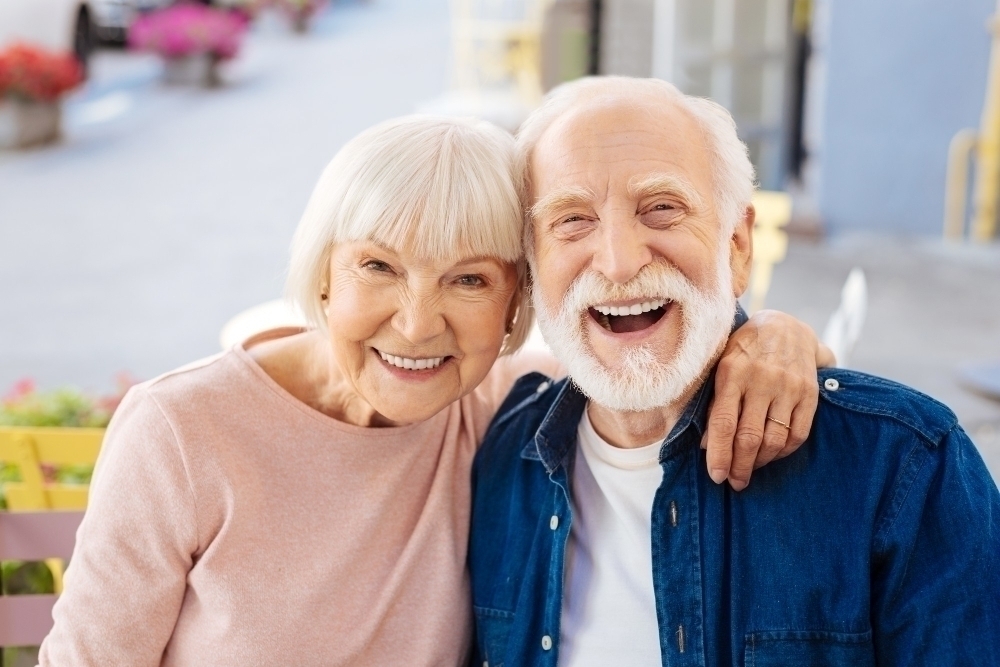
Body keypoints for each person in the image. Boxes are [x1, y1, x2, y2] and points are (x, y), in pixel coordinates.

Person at [39, 115, 829, 666]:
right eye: (377, 266)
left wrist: (770, 334)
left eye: (468, 279)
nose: (418, 325)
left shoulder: (503, 410)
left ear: (518, 305)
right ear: (321, 273)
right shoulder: (181, 431)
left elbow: (656, 356)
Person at [468, 76, 1000, 667]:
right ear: (534, 265)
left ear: (738, 246)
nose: (619, 262)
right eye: (573, 219)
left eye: (662, 209)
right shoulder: (498, 454)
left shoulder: (904, 466)